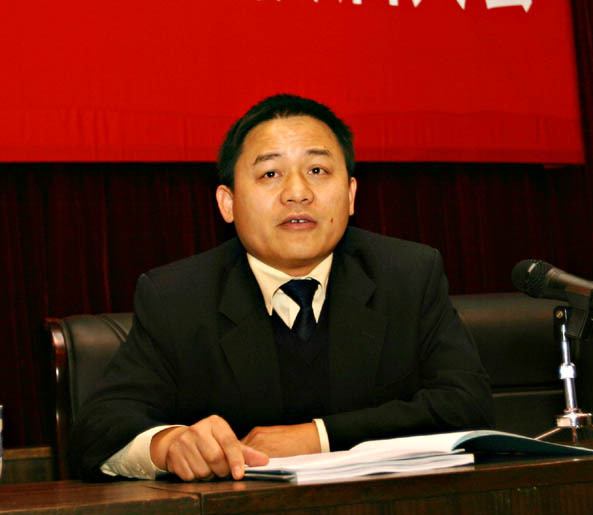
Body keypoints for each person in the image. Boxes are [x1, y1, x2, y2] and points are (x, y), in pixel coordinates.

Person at [70, 94, 494, 482]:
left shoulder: (407, 275)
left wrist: (317, 436)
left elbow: (467, 405)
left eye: (317, 171)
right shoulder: (178, 297)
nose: (297, 193)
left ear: (350, 194)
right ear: (227, 203)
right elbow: (100, 428)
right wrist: (168, 445)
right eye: (270, 173)